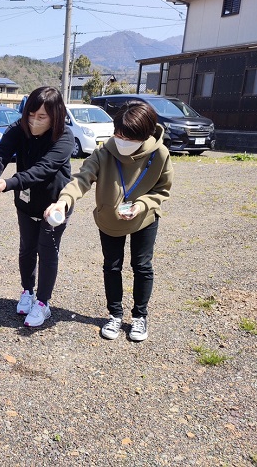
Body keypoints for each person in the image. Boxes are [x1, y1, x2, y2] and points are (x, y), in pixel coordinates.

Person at [45, 100, 173, 342]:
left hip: (144, 219)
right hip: (110, 219)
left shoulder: (159, 154)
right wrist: (63, 201)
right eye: (118, 134)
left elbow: (162, 189)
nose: (121, 141)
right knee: (112, 267)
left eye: (129, 137)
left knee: (142, 266)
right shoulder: (103, 153)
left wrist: (142, 205)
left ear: (145, 134)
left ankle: (139, 317)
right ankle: (114, 315)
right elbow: (81, 179)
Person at [0, 86, 73, 328]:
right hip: (26, 203)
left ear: (56, 116)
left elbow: (43, 169)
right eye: (31, 114)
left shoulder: (64, 137)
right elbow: (0, 153)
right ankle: (27, 291)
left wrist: (9, 183)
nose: (34, 121)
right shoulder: (18, 129)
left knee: (47, 250)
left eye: (42, 117)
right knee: (27, 248)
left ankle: (43, 303)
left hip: (54, 205)